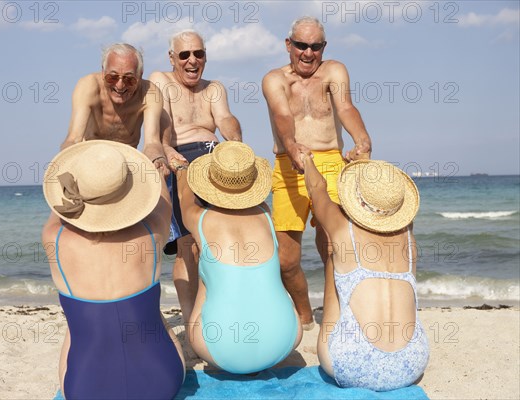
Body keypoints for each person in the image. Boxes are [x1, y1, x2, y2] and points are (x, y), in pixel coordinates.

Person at [42, 140, 185, 399]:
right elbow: (162, 199)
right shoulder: (151, 233)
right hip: (161, 384)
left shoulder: (54, 237)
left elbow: (58, 207)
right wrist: (154, 155)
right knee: (151, 313)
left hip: (84, 391)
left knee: (76, 325)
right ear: (128, 195)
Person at [262, 16, 372, 328]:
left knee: (334, 246)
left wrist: (361, 139)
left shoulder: (334, 71)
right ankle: (304, 314)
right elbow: (282, 114)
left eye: (315, 46)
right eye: (301, 45)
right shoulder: (274, 79)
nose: (307, 53)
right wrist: (291, 144)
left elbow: (346, 107)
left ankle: (337, 312)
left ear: (323, 48)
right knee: (286, 260)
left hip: (331, 163)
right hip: (289, 165)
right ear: (288, 45)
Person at [302, 155, 429, 391]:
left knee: (334, 257)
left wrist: (307, 161)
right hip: (411, 363)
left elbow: (317, 188)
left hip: (353, 365)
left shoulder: (342, 230)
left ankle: (334, 338)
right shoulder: (409, 237)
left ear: (355, 199)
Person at [175, 141, 303, 374]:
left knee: (198, 253)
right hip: (286, 340)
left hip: (220, 351)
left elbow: (185, 194)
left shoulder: (199, 219)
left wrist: (181, 169)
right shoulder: (266, 213)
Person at [149, 29, 242, 327]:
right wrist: (166, 150)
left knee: (218, 240)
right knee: (187, 245)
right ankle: (191, 319)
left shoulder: (214, 88)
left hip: (215, 159)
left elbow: (225, 118)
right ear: (172, 58)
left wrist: (236, 143)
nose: (192, 60)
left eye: (198, 54)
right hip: (180, 159)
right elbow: (160, 120)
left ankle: (219, 309)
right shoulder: (160, 80)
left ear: (205, 57)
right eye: (185, 54)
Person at [60, 43, 169, 174]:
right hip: (91, 161)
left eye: (129, 79)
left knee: (159, 173)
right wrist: (64, 165)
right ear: (103, 72)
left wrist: (157, 159)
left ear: (140, 75)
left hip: (127, 164)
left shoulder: (150, 93)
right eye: (112, 77)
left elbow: (152, 143)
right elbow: (74, 139)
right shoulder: (88, 86)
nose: (120, 85)